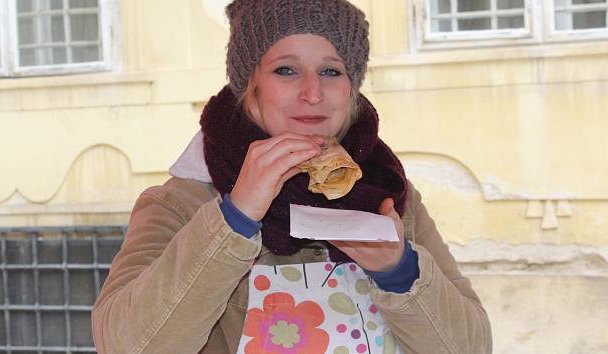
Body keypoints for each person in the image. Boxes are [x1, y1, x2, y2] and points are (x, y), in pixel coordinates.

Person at [91, 1, 492, 353]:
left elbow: (472, 348)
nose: (312, 93)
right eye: (286, 70)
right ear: (250, 87)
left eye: (331, 71)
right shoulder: (179, 203)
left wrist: (400, 273)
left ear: (351, 89)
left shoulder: (390, 195)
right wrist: (236, 219)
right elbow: (128, 345)